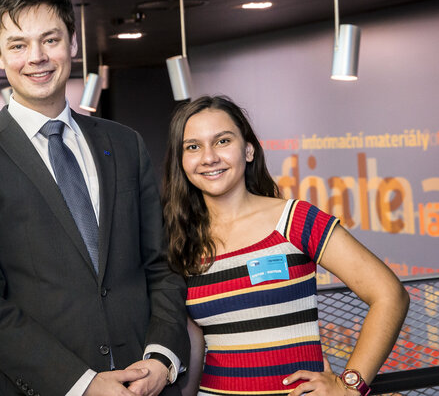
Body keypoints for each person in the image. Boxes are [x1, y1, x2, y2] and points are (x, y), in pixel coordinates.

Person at [0, 0, 190, 396]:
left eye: (50, 39)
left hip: (145, 383)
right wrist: (83, 384)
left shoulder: (123, 143)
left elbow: (162, 265)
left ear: (72, 43)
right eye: (18, 45)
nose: (36, 57)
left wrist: (162, 356)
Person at [162, 95, 409, 396]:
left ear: (249, 150)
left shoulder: (295, 220)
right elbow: (195, 342)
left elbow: (389, 294)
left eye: (223, 141)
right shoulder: (182, 241)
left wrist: (350, 386)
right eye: (193, 146)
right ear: (182, 161)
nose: (209, 157)